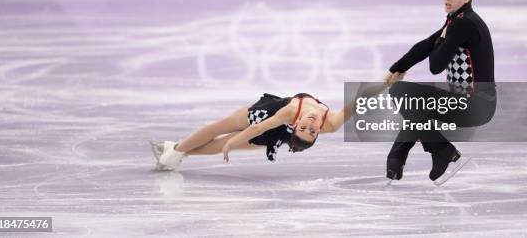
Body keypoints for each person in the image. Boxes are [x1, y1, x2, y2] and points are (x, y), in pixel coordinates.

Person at [151, 73, 405, 171]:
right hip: (267, 120)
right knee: (219, 129)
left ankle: (174, 152)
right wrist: (386, 84)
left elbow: (259, 129)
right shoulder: (330, 123)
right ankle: (176, 152)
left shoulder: (294, 115)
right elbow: (359, 101)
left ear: (296, 128)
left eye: (305, 129)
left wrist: (231, 145)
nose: (310, 124)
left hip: (268, 124)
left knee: (220, 139)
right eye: (310, 129)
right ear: (318, 133)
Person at [385, 0, 496, 185]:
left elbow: (436, 65)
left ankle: (444, 152)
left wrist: (441, 42)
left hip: (475, 105)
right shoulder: (458, 20)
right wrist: (397, 69)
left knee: (402, 94)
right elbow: (426, 45)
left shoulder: (465, 24)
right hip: (467, 102)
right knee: (414, 105)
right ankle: (397, 159)